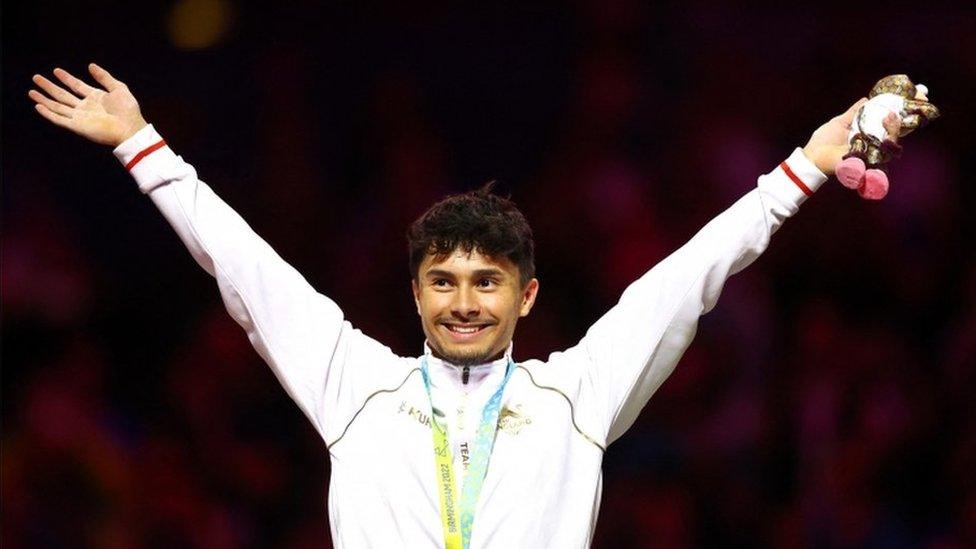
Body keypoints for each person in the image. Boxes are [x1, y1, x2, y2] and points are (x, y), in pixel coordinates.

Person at [28, 63, 901, 548]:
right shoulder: (352, 383)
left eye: (486, 283)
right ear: (414, 293)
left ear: (527, 296)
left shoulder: (579, 394)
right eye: (443, 281)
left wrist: (809, 164)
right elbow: (248, 272)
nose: (464, 303)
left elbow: (690, 276)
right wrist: (144, 148)